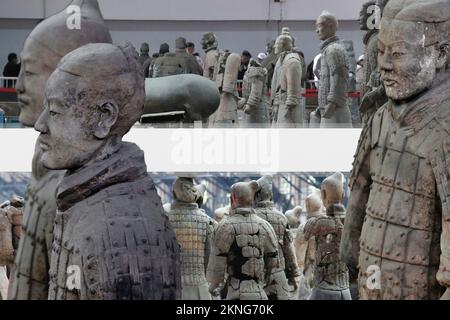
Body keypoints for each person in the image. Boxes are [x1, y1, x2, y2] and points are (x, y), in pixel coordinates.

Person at [34, 42, 181, 300]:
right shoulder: (84, 199)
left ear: (104, 118)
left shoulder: (120, 230)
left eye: (55, 111)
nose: (40, 124)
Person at [340, 0, 450, 300]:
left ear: (439, 54)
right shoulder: (380, 118)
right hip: (371, 283)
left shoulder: (445, 129)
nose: (384, 65)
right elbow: (358, 198)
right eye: (381, 52)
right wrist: (351, 254)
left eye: (398, 53)